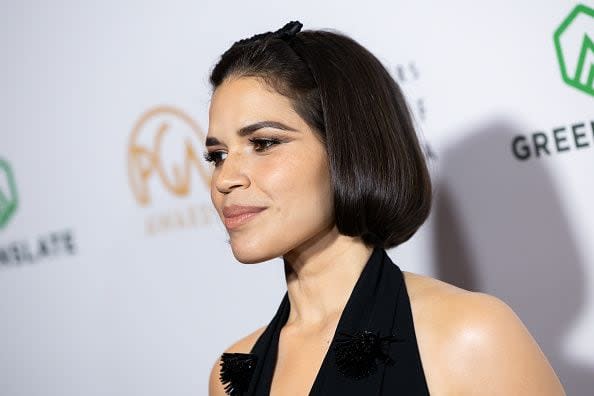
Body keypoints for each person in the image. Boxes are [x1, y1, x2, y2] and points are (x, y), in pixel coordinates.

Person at [205, 21, 565, 395]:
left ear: (347, 148)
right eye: (216, 155)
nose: (225, 178)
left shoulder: (469, 336)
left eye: (263, 143)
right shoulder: (231, 373)